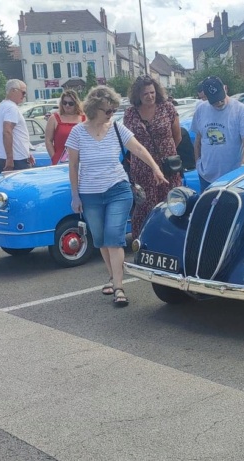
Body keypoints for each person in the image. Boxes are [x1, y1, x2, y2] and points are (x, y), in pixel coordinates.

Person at [65, 86, 167, 308]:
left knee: (114, 236)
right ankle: (112, 277)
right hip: (90, 192)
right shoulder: (78, 133)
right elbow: (73, 166)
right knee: (101, 239)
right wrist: (75, 196)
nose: (111, 114)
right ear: (94, 109)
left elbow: (138, 149)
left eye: (113, 110)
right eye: (108, 110)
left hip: (118, 189)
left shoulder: (117, 129)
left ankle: (119, 287)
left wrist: (155, 168)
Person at [122, 76, 183, 238]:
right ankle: (143, 244)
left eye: (152, 92)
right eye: (145, 94)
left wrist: (166, 154)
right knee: (143, 208)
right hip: (142, 169)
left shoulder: (167, 108)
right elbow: (127, 140)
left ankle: (170, 243)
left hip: (167, 168)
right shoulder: (130, 114)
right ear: (138, 95)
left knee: (170, 205)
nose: (150, 96)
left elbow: (178, 136)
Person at [190, 76, 244, 191]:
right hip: (206, 177)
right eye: (214, 101)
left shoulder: (240, 110)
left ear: (225, 89)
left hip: (232, 177)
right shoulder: (201, 110)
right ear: (206, 97)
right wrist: (198, 163)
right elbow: (198, 141)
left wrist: (243, 166)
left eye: (221, 98)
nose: (219, 103)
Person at [0, 79, 35, 172]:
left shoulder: (2, 105)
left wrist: (27, 153)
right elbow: (7, 131)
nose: (24, 96)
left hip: (3, 156)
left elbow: (16, 134)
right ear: (13, 90)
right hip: (16, 159)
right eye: (23, 92)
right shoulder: (11, 107)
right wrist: (10, 158)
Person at [45, 89, 84, 165]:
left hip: (81, 161)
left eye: (70, 103)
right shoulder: (54, 118)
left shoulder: (84, 118)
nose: (67, 105)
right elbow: (48, 140)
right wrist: (54, 158)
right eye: (64, 103)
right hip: (60, 162)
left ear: (76, 104)